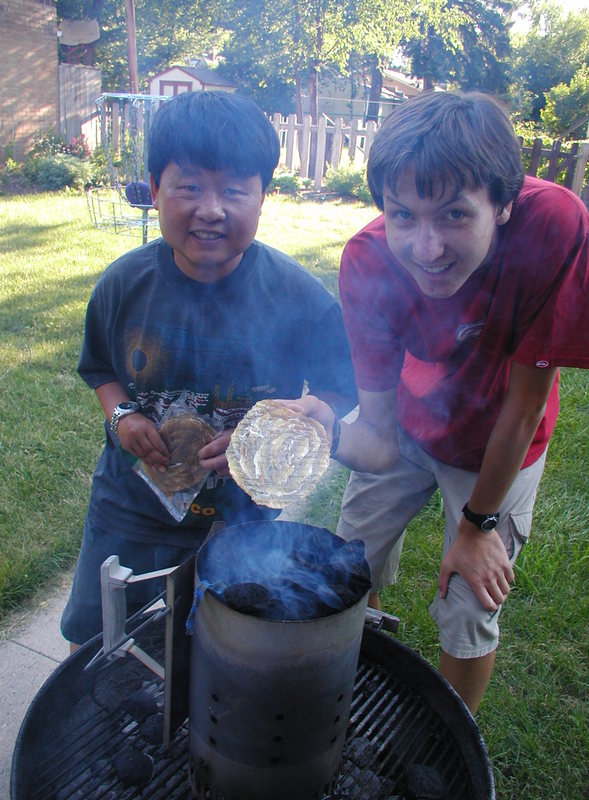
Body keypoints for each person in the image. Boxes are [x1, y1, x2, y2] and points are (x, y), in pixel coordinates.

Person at [283, 90, 589, 713]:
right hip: (412, 422)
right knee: (351, 564)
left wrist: (478, 527)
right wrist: (327, 431)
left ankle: (443, 744)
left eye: (454, 215)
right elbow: (378, 437)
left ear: (503, 204)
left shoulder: (555, 227)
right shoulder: (368, 261)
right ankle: (363, 682)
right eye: (403, 215)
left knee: (469, 601)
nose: (426, 248)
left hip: (498, 440)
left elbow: (525, 405)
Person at [61, 90, 357, 649]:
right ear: (155, 189)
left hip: (242, 515)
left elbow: (339, 388)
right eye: (190, 187)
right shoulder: (124, 286)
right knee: (96, 632)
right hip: (131, 502)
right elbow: (100, 368)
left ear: (264, 196)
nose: (212, 209)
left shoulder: (298, 299)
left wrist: (307, 415)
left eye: (235, 190)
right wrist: (122, 415)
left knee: (224, 639)